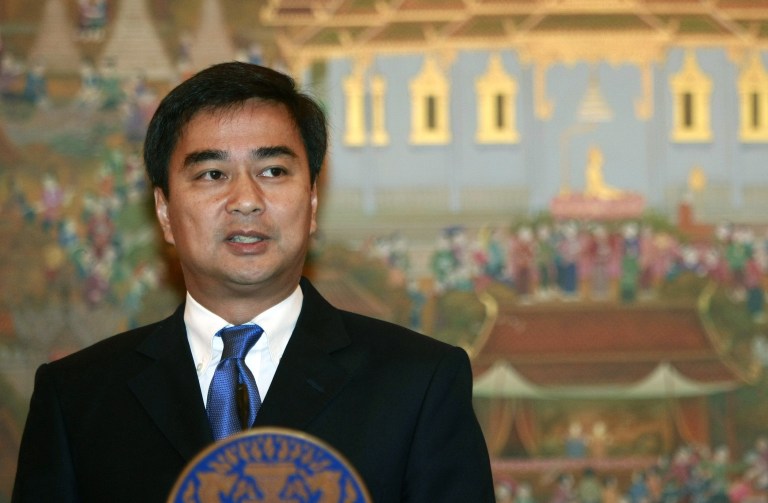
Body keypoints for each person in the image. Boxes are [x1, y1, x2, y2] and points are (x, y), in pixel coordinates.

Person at [12, 61, 495, 502]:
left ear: (310, 202)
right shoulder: (77, 397)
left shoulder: (419, 382)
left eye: (273, 170)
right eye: (212, 173)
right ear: (163, 211)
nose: (246, 199)